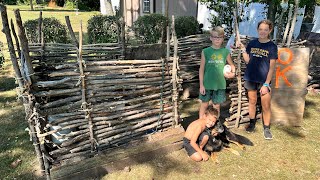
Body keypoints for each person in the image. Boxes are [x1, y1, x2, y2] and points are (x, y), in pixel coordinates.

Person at [237, 19, 278, 140]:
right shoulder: (252, 43)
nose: (263, 32)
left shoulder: (272, 46)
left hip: (263, 81)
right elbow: (248, 61)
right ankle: (252, 123)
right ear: (257, 30)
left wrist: (266, 84)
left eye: (265, 29)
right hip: (251, 77)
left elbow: (271, 68)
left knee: (265, 105)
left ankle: (266, 128)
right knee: (252, 101)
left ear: (270, 30)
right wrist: (243, 49)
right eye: (261, 29)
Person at [199, 27, 236, 118]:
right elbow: (201, 69)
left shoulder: (225, 51)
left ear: (223, 38)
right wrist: (201, 85)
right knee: (204, 104)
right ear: (211, 38)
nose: (217, 39)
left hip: (220, 84)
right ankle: (200, 122)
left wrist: (233, 73)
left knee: (217, 106)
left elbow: (232, 65)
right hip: (207, 83)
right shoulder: (205, 51)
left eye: (219, 37)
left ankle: (215, 123)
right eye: (214, 37)